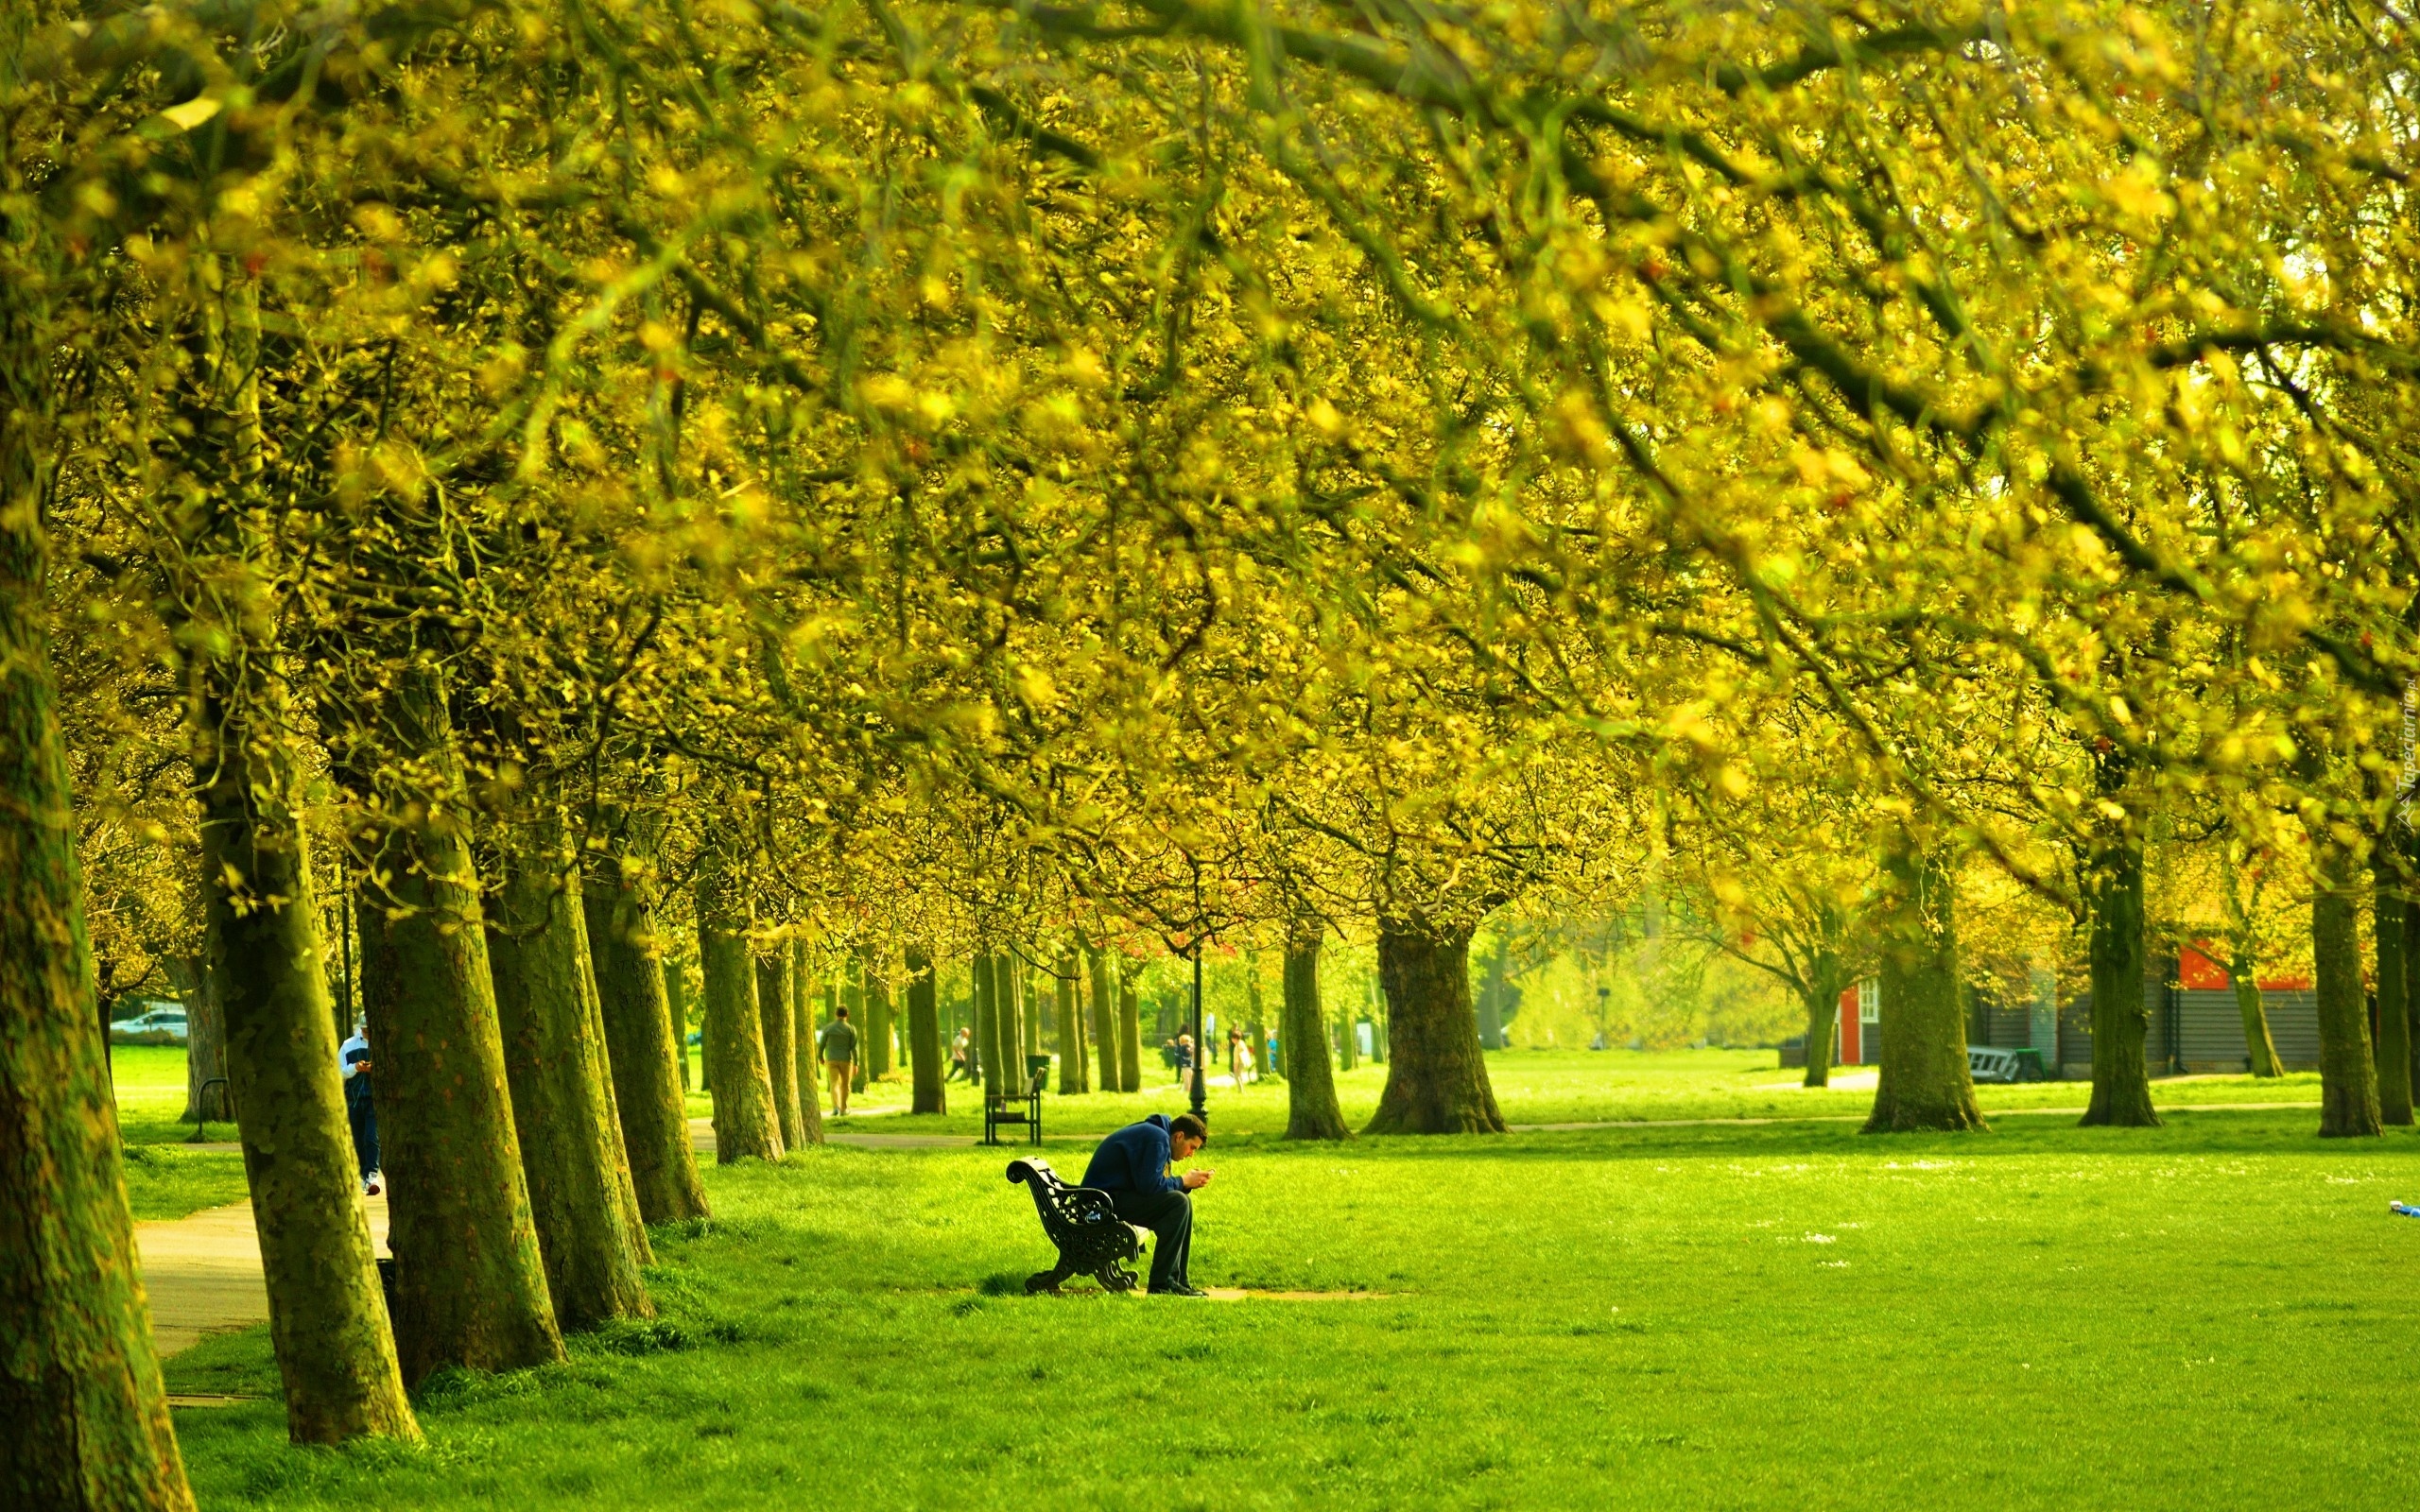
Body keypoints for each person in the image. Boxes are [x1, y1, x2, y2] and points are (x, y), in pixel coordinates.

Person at [1081, 1112, 1212, 1296]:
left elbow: (1154, 1186)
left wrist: (1186, 1184)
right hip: (1099, 1207)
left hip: (1111, 1199)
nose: (1191, 1154)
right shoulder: (1157, 1139)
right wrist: (1183, 1181)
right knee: (1179, 1203)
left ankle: (1178, 1281)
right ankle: (1162, 1282)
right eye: (1192, 1147)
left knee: (1182, 1202)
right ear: (1179, 1136)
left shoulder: (1158, 1136)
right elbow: (1150, 1187)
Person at [339, 1020, 380, 1196]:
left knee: (372, 1137)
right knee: (358, 1138)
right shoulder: (348, 1045)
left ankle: (372, 1175)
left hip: (373, 1098)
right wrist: (355, 1067)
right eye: (364, 1029)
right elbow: (340, 1070)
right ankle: (364, 1175)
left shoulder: (380, 1043)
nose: (367, 1033)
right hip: (354, 1099)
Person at [819, 1005, 859, 1115]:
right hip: (846, 1060)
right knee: (845, 1085)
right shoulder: (851, 1029)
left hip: (831, 1059)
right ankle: (843, 1109)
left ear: (836, 1015)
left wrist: (820, 1057)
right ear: (847, 1015)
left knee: (834, 1083)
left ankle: (835, 1107)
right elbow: (854, 1048)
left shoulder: (828, 1028)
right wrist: (856, 1064)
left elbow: (822, 1044)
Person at [1171, 1033, 1194, 1097]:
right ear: (1185, 1041)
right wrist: (1192, 1045)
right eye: (1188, 1041)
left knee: (1189, 1077)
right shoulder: (1184, 1047)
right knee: (1187, 1078)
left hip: (1188, 1065)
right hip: (1185, 1065)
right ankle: (1187, 1089)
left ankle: (1187, 1088)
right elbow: (1190, 1051)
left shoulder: (1185, 1046)